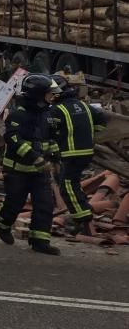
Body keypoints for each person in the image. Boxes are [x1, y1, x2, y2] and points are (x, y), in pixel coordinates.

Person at [0, 74, 62, 255]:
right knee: (14, 203)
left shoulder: (47, 114)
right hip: (18, 170)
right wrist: (35, 157)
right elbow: (14, 139)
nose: (52, 96)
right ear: (38, 94)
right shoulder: (18, 114)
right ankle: (2, 223)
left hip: (40, 171)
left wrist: (55, 155)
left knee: (45, 204)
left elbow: (50, 138)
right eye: (49, 93)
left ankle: (40, 241)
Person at [50, 74, 107, 236]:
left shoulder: (56, 110)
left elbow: (49, 131)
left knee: (66, 186)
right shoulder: (83, 105)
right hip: (86, 152)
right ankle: (82, 212)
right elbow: (101, 120)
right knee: (72, 183)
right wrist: (92, 135)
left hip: (70, 153)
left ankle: (81, 218)